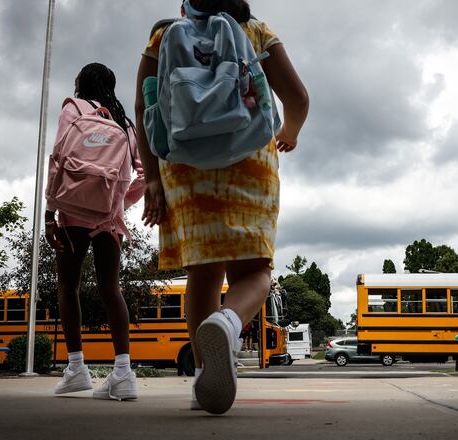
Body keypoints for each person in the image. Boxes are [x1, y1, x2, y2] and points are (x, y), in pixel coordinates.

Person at [135, 0, 309, 414]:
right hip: (249, 161)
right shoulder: (257, 32)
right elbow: (297, 98)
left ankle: (201, 379)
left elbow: (145, 108)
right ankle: (229, 323)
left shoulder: (164, 36)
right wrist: (291, 131)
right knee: (256, 273)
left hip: (185, 166)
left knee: (203, 274)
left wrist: (152, 179)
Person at [45, 63, 145, 400]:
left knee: (68, 286)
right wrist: (116, 205)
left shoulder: (73, 108)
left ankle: (76, 369)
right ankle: (123, 372)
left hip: (72, 215)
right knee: (110, 288)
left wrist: (50, 213)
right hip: (109, 220)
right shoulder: (126, 125)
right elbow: (144, 175)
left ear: (80, 83)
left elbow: (58, 158)